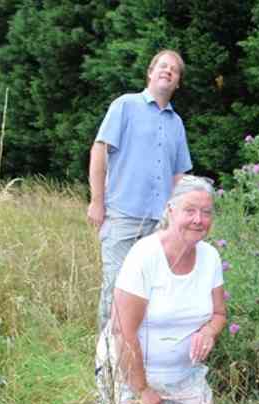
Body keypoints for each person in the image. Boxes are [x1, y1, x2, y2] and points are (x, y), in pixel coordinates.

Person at [95, 175, 225, 404]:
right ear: (170, 210)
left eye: (206, 212)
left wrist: (208, 332)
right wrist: (142, 390)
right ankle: (110, 400)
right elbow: (121, 332)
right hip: (133, 373)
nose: (198, 220)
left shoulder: (211, 257)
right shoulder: (144, 255)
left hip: (183, 375)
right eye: (189, 210)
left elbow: (219, 314)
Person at [87, 49, 193, 333]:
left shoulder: (177, 123)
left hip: (160, 225)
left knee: (152, 292)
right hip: (122, 217)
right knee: (115, 288)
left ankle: (138, 356)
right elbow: (99, 150)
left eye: (174, 69)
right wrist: (97, 202)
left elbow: (179, 176)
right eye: (162, 65)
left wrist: (177, 219)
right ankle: (107, 362)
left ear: (178, 82)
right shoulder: (125, 105)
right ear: (150, 72)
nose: (167, 71)